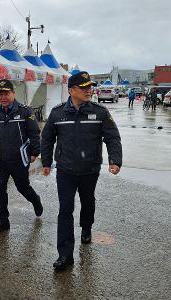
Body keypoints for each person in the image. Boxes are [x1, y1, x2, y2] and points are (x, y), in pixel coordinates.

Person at [41, 71, 122, 271]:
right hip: (65, 170)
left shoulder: (100, 112)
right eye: (83, 88)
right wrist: (45, 161)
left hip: (89, 169)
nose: (88, 91)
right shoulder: (58, 113)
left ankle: (86, 227)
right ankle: (65, 255)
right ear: (71, 91)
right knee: (65, 209)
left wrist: (115, 160)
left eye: (89, 87)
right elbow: (48, 138)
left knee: (88, 202)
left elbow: (112, 137)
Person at [0, 79, 43, 234]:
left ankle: (35, 200)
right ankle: (3, 220)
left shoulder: (25, 111)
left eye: (6, 93)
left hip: (19, 159)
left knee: (22, 187)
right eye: (1, 94)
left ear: (13, 93)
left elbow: (34, 133)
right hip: (2, 158)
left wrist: (34, 153)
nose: (3, 97)